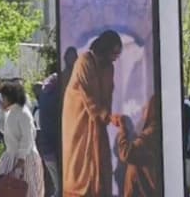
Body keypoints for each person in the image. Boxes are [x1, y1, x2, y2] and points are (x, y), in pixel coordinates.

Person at [62, 30, 122, 196]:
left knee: (100, 158)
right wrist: (108, 117)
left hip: (98, 119)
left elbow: (108, 94)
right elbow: (89, 96)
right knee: (81, 160)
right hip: (79, 118)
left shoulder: (109, 67)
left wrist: (108, 116)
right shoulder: (84, 61)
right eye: (114, 53)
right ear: (104, 49)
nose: (116, 57)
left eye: (118, 54)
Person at [0, 81, 44, 197]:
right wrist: (1, 111)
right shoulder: (11, 112)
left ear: (10, 97)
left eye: (3, 97)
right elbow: (2, 128)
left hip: (25, 158)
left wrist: (21, 159)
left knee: (26, 189)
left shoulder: (23, 113)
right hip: (10, 155)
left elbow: (27, 138)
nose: (2, 100)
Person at [117, 97, 162, 197]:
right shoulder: (154, 130)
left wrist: (122, 130)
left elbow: (126, 153)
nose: (142, 110)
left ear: (152, 110)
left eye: (146, 108)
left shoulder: (150, 133)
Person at [36, 69, 62, 196]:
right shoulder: (56, 95)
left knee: (57, 186)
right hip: (54, 148)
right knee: (60, 188)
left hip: (47, 148)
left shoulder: (44, 95)